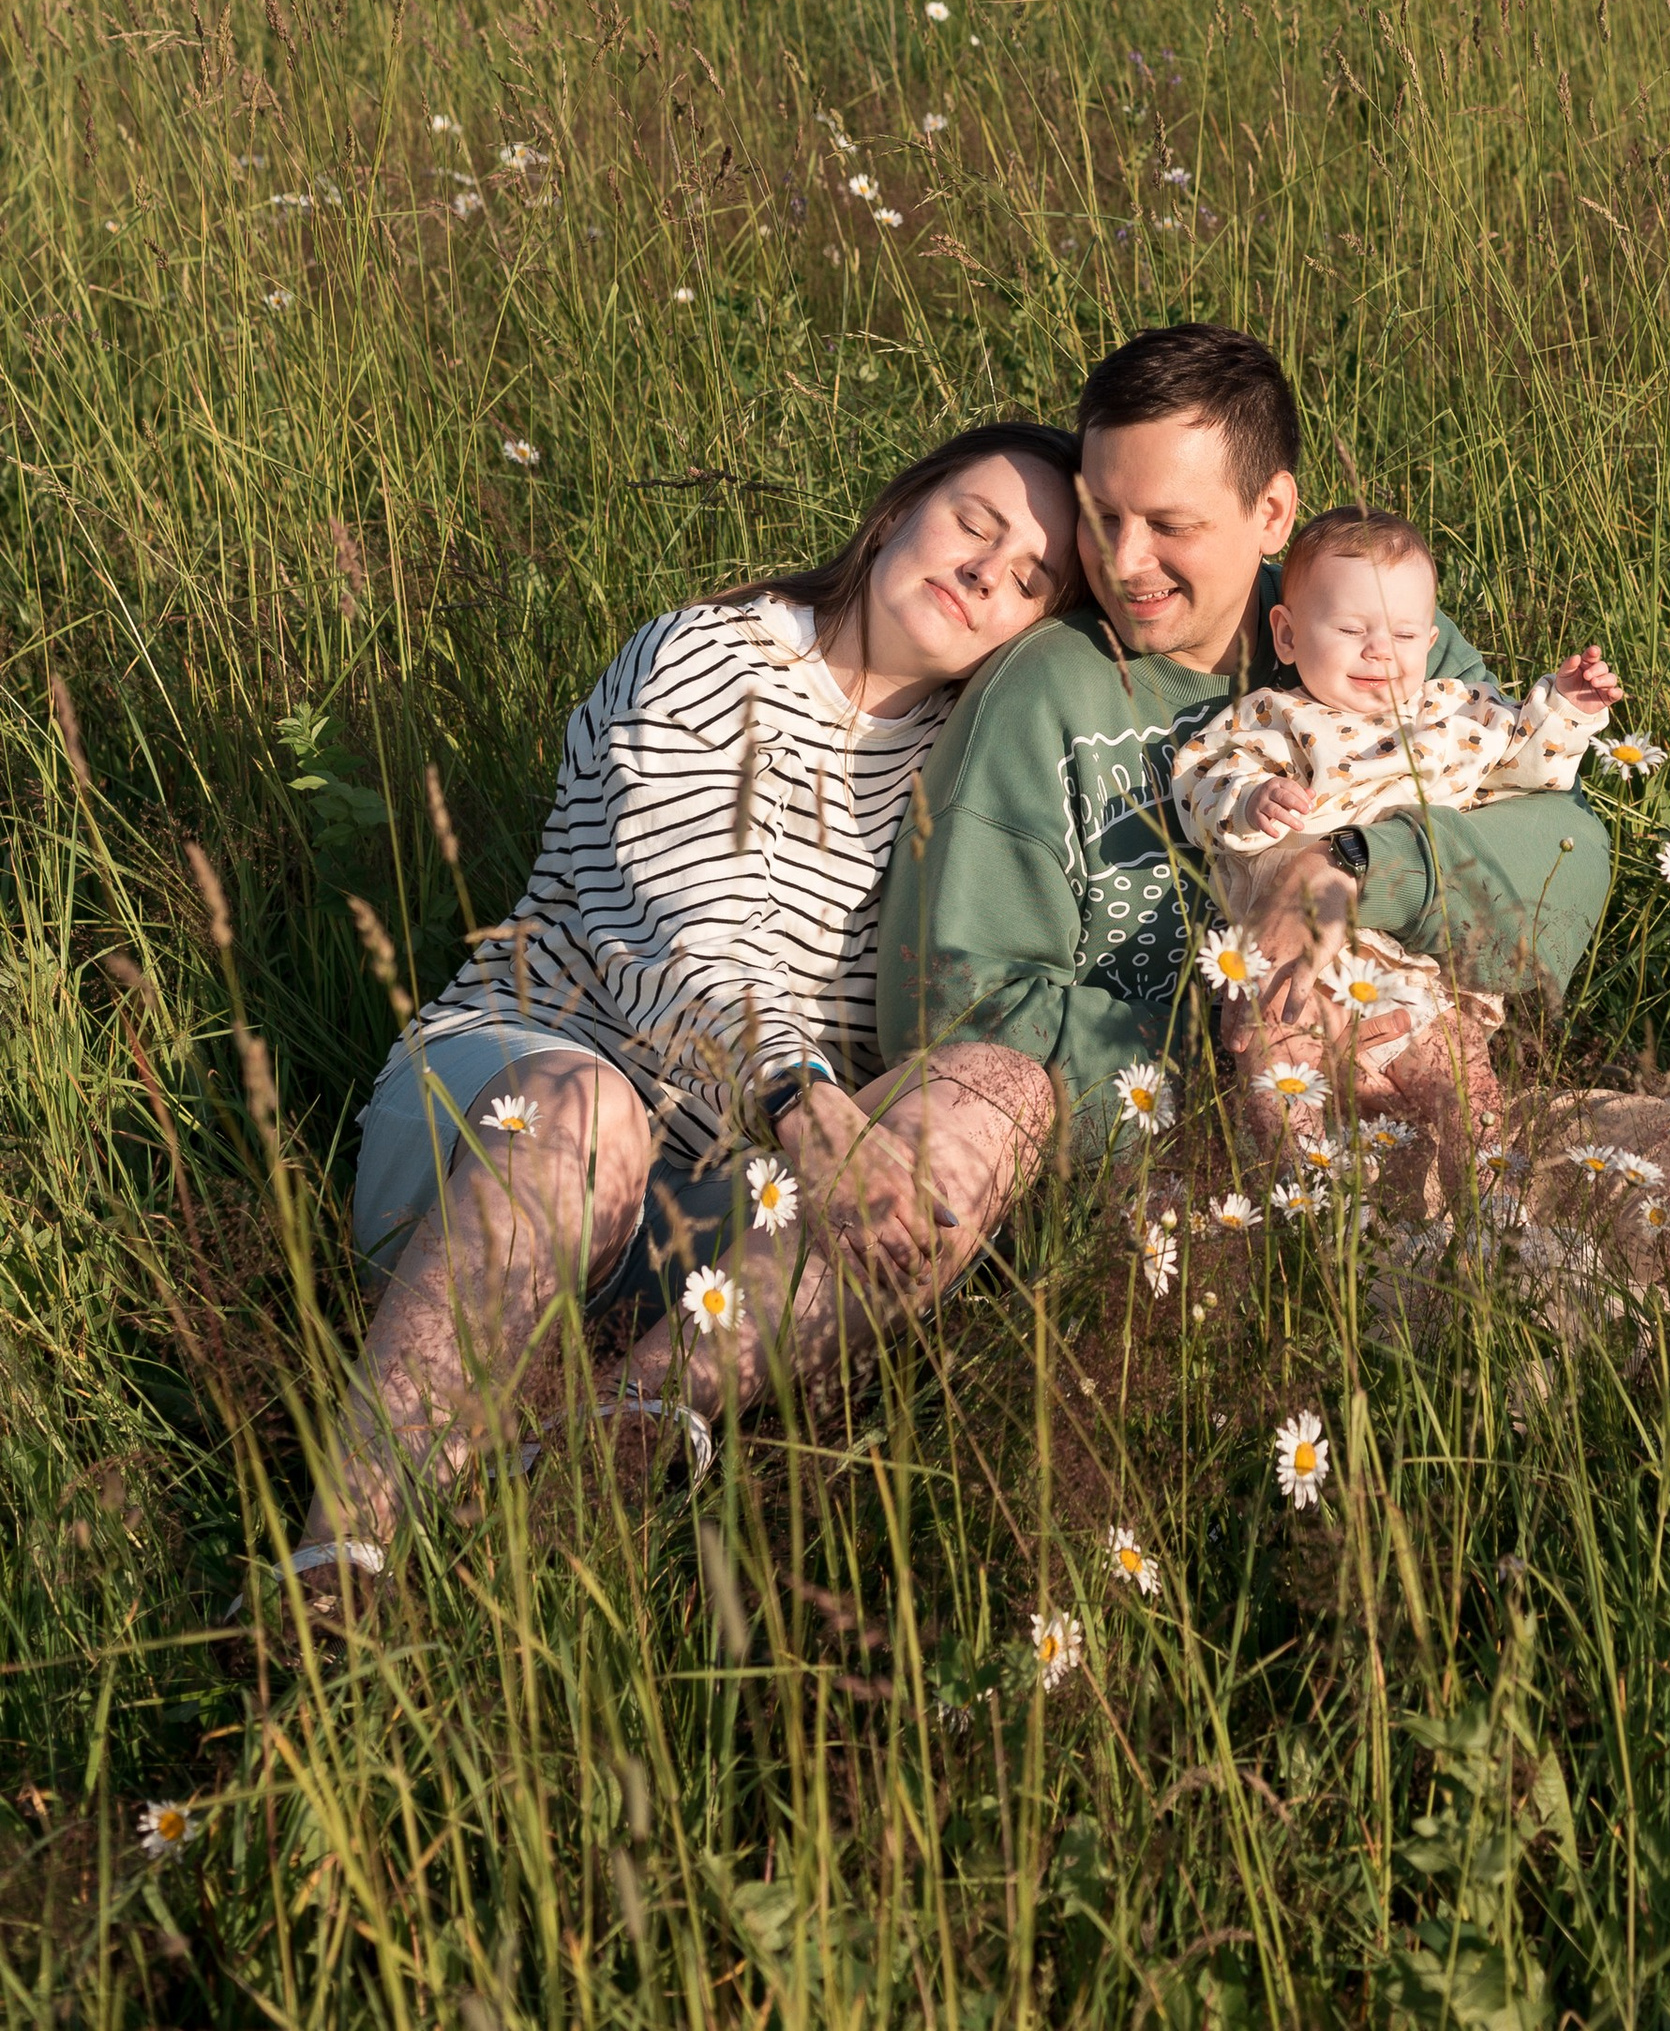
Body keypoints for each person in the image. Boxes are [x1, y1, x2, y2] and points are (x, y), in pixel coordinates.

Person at [285, 422, 1081, 1603]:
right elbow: (683, 919)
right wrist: (796, 1097)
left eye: (1029, 579)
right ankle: (339, 1561)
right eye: (975, 522)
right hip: (510, 1124)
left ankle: (598, 1455)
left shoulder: (967, 764)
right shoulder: (710, 657)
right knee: (590, 1106)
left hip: (730, 1233)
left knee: (1004, 1091)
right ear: (901, 504)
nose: (984, 573)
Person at [839, 325, 1615, 1285]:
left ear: (1274, 512)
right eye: (1101, 516)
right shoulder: (1042, 694)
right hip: (1175, 1187)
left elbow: (1565, 855)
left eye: (1170, 524)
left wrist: (1350, 871)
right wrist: (1250, 1065)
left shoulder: (1370, 627)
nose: (1126, 564)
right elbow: (952, 1012)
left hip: (1435, 1087)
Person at [1165, 503, 1622, 1121]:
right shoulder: (1278, 719)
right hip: (1294, 966)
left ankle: (1481, 1210)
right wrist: (1250, 800)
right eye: (1352, 631)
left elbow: (1525, 761)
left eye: (1406, 636)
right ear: (1289, 634)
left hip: (1421, 971)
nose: (1382, 652)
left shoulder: (1450, 714)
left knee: (1461, 1100)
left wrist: (1567, 707)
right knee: (1280, 1095)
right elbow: (1201, 777)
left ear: (1431, 641)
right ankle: (1301, 1208)